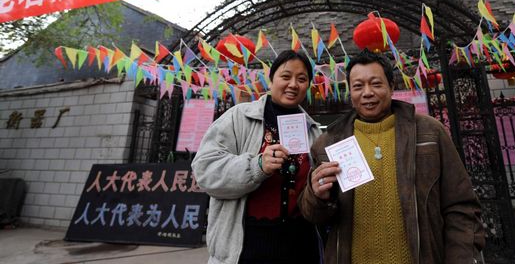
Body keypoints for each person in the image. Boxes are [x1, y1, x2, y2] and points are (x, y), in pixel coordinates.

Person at [299, 49, 485, 264]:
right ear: (350, 93)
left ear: (391, 86)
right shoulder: (328, 143)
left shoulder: (429, 132)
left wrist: (461, 258)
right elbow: (314, 217)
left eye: (376, 84)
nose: (367, 92)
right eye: (358, 86)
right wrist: (316, 196)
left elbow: (461, 207)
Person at [192, 50, 322, 264]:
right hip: (246, 248)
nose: (293, 84)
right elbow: (204, 170)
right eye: (285, 76)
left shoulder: (313, 131)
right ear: (271, 80)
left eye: (302, 79)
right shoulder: (238, 117)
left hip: (300, 247)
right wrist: (257, 165)